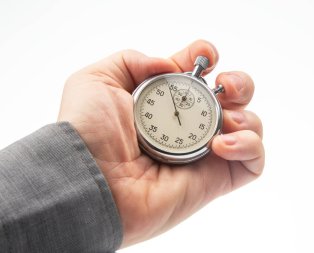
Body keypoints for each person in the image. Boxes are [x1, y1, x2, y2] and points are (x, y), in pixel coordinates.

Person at [0, 40, 264, 252]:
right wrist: (90, 164)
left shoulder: (211, 119)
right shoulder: (140, 100)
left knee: (235, 126)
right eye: (176, 106)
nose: (178, 112)